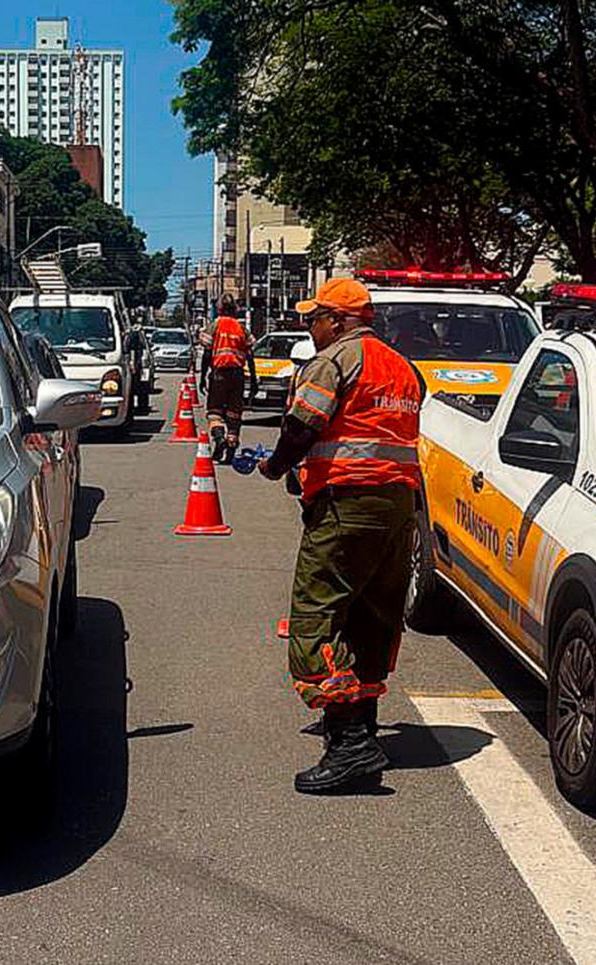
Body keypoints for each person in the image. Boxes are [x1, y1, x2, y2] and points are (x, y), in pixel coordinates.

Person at [259, 277, 424, 794]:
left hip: (347, 504)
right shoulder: (402, 366)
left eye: (315, 318)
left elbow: (302, 426)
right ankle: (361, 726)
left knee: (317, 616)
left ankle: (351, 742)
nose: (310, 327)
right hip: (398, 504)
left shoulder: (334, 361)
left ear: (340, 320)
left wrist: (275, 466)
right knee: (372, 615)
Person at [198, 296, 257, 463]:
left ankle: (219, 439)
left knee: (214, 411)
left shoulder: (215, 325)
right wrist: (253, 380)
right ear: (235, 309)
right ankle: (230, 449)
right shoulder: (241, 328)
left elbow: (207, 353)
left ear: (220, 309)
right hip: (238, 375)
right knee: (234, 414)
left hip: (219, 374)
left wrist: (203, 377)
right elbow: (250, 356)